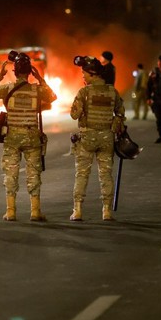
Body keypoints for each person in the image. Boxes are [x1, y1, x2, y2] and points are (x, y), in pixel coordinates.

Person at [0, 52, 57, 221]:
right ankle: (35, 211)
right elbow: (52, 97)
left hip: (12, 137)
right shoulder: (36, 90)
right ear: (29, 71)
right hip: (32, 136)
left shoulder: (7, 88)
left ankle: (10, 211)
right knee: (34, 173)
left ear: (14, 71)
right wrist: (40, 79)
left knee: (11, 173)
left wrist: (0, 75)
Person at [69, 56, 125, 221]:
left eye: (84, 73)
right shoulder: (112, 91)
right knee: (106, 174)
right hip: (107, 138)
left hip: (87, 138)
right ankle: (106, 211)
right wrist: (115, 125)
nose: (83, 76)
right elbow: (120, 113)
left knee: (81, 174)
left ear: (92, 74)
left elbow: (74, 115)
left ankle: (77, 210)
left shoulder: (84, 92)